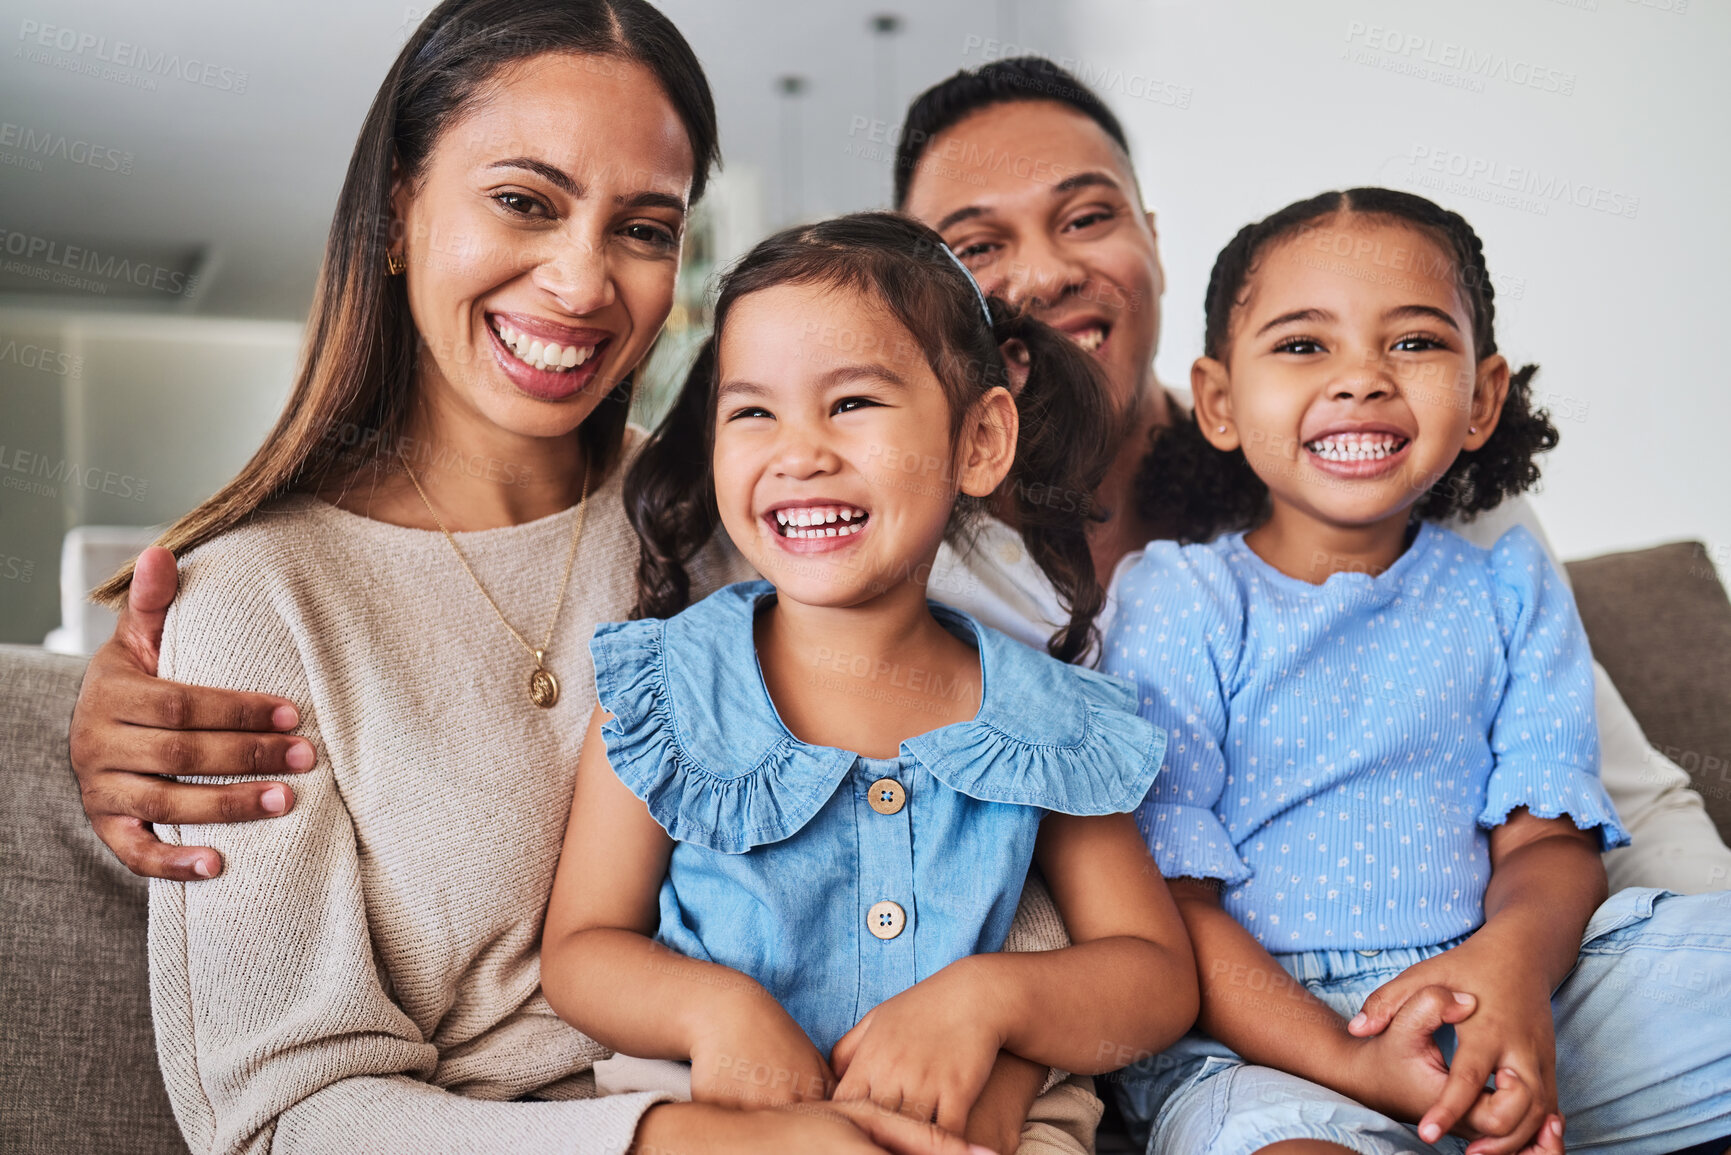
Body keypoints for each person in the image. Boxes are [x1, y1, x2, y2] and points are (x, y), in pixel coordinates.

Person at [82, 2, 1041, 1152]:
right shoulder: (252, 603)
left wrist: (1007, 1057)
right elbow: (281, 1118)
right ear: (398, 206)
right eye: (524, 202)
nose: (584, 284)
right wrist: (680, 1144)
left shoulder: (751, 526)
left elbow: (988, 827)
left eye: (643, 228)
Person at [891, 56, 1731, 897]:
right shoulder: (893, 557)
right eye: (976, 245)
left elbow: (1626, 805)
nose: (1045, 273)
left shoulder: (1390, 460)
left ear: (1151, 236)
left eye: (1086, 217)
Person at [538, 212, 1200, 1154]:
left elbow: (1155, 980)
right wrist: (713, 1011)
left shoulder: (1043, 716)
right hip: (725, 1122)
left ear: (978, 441)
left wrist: (989, 1003)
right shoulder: (669, 686)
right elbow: (581, 948)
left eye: (851, 402)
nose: (799, 451)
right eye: (752, 411)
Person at [1104, 187, 1731, 1155]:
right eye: (1304, 345)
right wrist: (1353, 1061)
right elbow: (1172, 900)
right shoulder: (1180, 598)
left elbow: (1544, 843)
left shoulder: (1507, 587)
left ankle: (1500, 1099)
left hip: (1523, 993)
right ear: (1220, 401)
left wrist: (1508, 980)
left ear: (1483, 399)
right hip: (1271, 1043)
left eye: (1414, 343)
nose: (1362, 379)